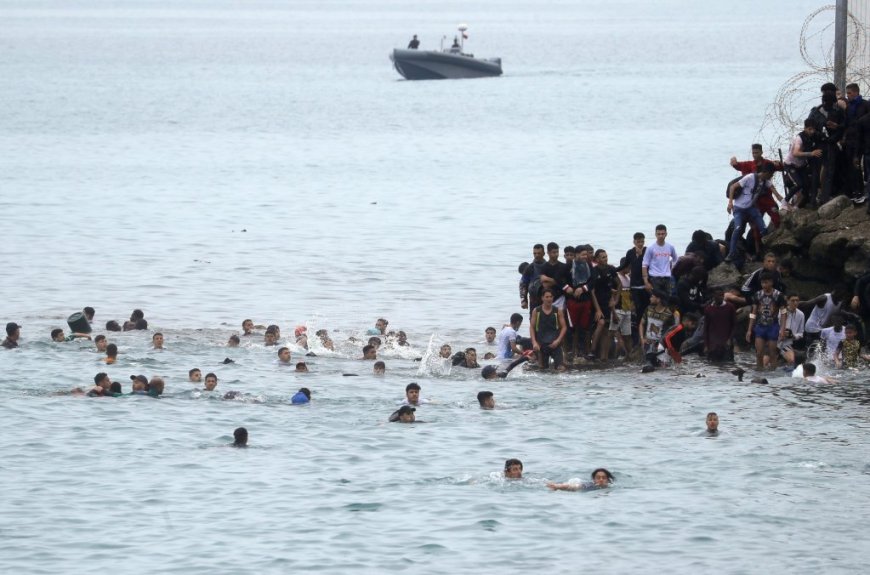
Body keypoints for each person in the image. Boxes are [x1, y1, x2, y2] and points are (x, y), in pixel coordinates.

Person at [726, 162, 776, 264]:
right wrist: (730, 203)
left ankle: (766, 252)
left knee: (763, 229)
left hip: (751, 208)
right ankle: (731, 253)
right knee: (738, 228)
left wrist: (785, 203)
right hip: (739, 208)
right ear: (765, 172)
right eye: (771, 174)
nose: (771, 177)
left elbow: (775, 192)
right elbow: (733, 187)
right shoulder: (749, 178)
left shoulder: (765, 182)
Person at [747, 272, 787, 370]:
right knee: (759, 353)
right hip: (760, 326)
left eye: (766, 282)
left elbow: (783, 313)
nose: (764, 285)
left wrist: (782, 329)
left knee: (772, 353)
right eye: (762, 283)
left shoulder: (778, 295)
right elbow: (753, 312)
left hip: (773, 326)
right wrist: (749, 329)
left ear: (771, 282)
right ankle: (759, 372)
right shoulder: (757, 295)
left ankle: (773, 374)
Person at [783, 119, 822, 207]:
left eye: (813, 129)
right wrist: (811, 153)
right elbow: (795, 153)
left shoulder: (812, 136)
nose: (812, 131)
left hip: (801, 165)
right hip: (791, 165)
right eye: (809, 129)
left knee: (807, 185)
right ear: (805, 128)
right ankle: (785, 201)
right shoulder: (799, 139)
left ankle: (798, 206)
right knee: (799, 184)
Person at [530, 289, 568, 371]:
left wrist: (558, 341)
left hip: (555, 344)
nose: (549, 299)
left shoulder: (557, 311)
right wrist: (534, 343)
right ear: (542, 298)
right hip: (541, 345)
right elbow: (532, 327)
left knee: (561, 368)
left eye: (551, 297)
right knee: (543, 369)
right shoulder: (536, 311)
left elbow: (564, 327)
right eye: (547, 297)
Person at [639, 290, 674, 369]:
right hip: (647, 343)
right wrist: (642, 339)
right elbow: (641, 324)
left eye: (652, 297)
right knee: (647, 364)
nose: (650, 298)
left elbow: (672, 331)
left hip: (660, 345)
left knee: (662, 367)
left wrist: (666, 345)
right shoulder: (649, 309)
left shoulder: (668, 314)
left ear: (658, 299)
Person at [703, 287, 737, 362]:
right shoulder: (708, 309)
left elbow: (734, 325)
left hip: (726, 344)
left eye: (721, 295)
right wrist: (706, 345)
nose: (720, 297)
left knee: (728, 366)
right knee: (713, 367)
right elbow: (706, 328)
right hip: (713, 345)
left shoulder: (730, 307)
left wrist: (730, 339)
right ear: (714, 296)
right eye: (718, 295)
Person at [610, 257, 634, 358]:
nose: (629, 269)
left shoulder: (628, 278)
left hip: (627, 310)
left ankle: (629, 356)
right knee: (612, 333)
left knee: (627, 335)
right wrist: (613, 312)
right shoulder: (616, 278)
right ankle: (610, 357)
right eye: (628, 267)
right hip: (617, 309)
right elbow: (611, 295)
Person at [642, 224, 677, 294]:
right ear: (655, 234)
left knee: (666, 300)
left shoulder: (670, 247)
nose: (661, 236)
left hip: (667, 277)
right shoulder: (651, 248)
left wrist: (672, 269)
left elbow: (675, 259)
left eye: (663, 234)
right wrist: (646, 282)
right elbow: (644, 265)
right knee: (656, 299)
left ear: (666, 234)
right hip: (654, 277)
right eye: (658, 234)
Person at [778, 293, 806, 367]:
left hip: (786, 343)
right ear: (787, 301)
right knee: (765, 363)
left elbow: (801, 333)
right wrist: (781, 332)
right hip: (774, 341)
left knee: (791, 361)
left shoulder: (801, 314)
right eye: (793, 300)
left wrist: (793, 336)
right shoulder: (780, 312)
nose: (795, 303)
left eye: (797, 300)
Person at [548, 468, 614, 491]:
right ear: (594, 480)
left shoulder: (611, 487)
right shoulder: (589, 486)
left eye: (604, 478)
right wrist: (557, 486)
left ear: (608, 480)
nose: (601, 480)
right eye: (598, 478)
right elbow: (573, 486)